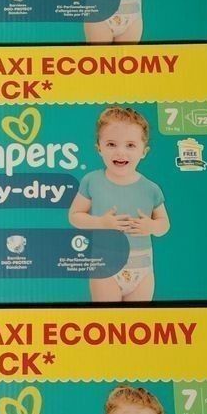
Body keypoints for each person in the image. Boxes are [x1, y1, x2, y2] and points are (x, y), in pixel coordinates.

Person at [68, 107, 169, 301]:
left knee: (138, 317)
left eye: (130, 145)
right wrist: (101, 223)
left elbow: (164, 224)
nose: (120, 152)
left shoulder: (151, 188)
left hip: (143, 269)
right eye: (111, 144)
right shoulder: (92, 181)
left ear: (144, 151)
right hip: (105, 265)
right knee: (108, 315)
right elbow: (74, 216)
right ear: (99, 148)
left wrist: (152, 226)